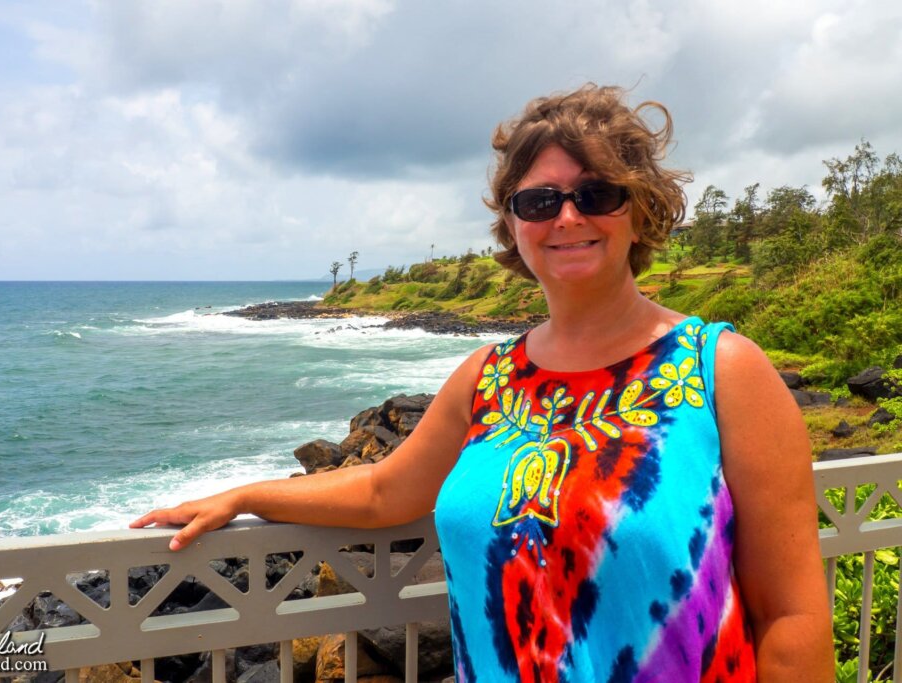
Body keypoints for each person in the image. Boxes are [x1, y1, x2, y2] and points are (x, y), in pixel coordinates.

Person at [131, 84, 834, 682]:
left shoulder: (722, 369)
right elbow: (384, 490)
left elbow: (793, 615)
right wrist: (246, 494)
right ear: (512, 224)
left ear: (640, 209)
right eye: (539, 201)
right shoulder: (489, 377)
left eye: (596, 193)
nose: (567, 216)